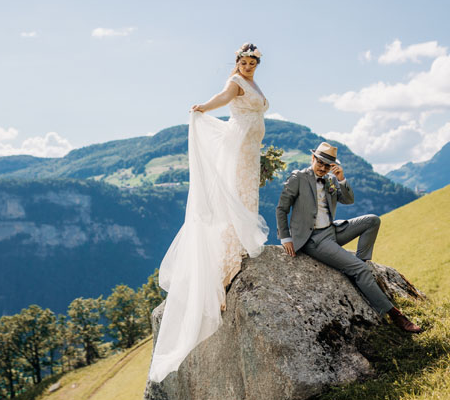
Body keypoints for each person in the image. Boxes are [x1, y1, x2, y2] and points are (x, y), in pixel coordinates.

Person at [148, 43, 270, 382]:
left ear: (257, 64)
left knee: (246, 196)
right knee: (237, 196)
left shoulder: (254, 82)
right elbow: (222, 98)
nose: (247, 67)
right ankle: (228, 261)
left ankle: (238, 246)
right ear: (237, 63)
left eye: (252, 63)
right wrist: (203, 107)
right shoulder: (236, 81)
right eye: (244, 62)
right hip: (240, 146)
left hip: (250, 148)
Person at [276, 142, 422, 333]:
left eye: (327, 165)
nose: (322, 168)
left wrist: (341, 179)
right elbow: (282, 208)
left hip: (332, 230)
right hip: (314, 239)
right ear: (313, 159)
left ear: (332, 167)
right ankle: (396, 316)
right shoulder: (298, 178)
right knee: (360, 270)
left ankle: (359, 264)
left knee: (372, 220)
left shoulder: (330, 180)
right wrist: (285, 237)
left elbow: (348, 200)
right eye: (319, 163)